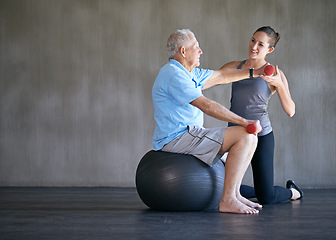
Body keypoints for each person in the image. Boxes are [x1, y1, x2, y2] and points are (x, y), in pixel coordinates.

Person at [152, 29, 266, 214]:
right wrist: (243, 121)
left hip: (189, 134)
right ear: (183, 51)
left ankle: (235, 195)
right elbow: (206, 105)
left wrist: (256, 72)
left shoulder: (190, 74)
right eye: (196, 47)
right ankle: (228, 200)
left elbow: (222, 76)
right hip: (176, 139)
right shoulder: (173, 74)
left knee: (250, 136)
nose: (200, 51)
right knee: (245, 135)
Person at [221, 26, 303, 204]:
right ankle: (254, 190)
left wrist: (279, 84)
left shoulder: (275, 74)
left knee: (266, 197)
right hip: (234, 135)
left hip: (261, 135)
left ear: (269, 50)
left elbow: (291, 111)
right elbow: (209, 79)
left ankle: (293, 192)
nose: (254, 47)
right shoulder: (235, 67)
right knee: (221, 185)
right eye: (252, 40)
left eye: (260, 44)